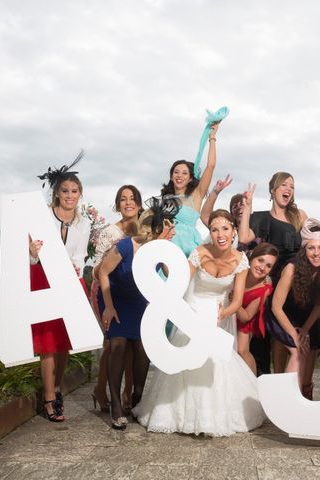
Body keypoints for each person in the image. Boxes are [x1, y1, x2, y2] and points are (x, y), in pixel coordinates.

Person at [133, 210, 266, 436]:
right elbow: (180, 282)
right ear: (210, 233)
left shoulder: (241, 260)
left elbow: (238, 300)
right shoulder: (198, 253)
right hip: (193, 310)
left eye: (225, 228)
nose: (220, 234)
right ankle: (181, 414)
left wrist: (223, 313)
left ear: (234, 231)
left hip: (220, 313)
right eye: (214, 229)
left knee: (215, 362)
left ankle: (213, 416)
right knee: (189, 362)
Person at [98, 196, 180, 429]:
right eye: (166, 229)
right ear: (153, 230)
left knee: (143, 347)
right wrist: (109, 307)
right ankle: (115, 404)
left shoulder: (161, 248)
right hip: (114, 297)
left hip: (139, 302)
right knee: (119, 345)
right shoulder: (126, 246)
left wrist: (167, 251)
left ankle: (137, 398)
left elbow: (171, 273)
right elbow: (103, 273)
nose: (170, 233)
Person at [31, 152, 91, 422]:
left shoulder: (84, 223)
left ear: (80, 194)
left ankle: (57, 389)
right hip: (44, 281)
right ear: (56, 193)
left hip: (71, 283)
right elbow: (32, 255)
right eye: (65, 190)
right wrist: (33, 253)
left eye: (74, 191)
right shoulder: (42, 217)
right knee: (47, 343)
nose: (69, 195)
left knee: (64, 343)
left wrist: (75, 268)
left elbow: (80, 255)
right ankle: (47, 399)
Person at [238, 172, 308, 375]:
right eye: (284, 185)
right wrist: (248, 206)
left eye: (292, 186)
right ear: (273, 189)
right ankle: (261, 386)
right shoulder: (260, 218)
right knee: (264, 342)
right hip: (270, 284)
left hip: (295, 283)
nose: (288, 189)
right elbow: (243, 236)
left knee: (296, 339)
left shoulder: (299, 216)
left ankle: (297, 388)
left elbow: (317, 237)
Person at [90, 185, 143, 413]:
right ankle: (102, 390)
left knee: (135, 347)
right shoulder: (110, 233)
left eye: (132, 199)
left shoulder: (148, 229)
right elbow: (96, 271)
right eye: (123, 199)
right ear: (118, 205)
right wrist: (117, 256)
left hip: (138, 294)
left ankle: (128, 396)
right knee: (113, 344)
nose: (128, 202)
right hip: (108, 291)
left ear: (140, 204)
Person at [267, 219, 320, 398]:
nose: (316, 253)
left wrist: (305, 330)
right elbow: (276, 306)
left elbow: (319, 304)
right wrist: (295, 335)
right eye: (311, 248)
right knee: (296, 349)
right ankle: (286, 398)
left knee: (310, 349)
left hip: (308, 316)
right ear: (304, 249)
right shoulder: (292, 269)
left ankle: (304, 392)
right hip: (282, 314)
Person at [161, 123, 220, 257]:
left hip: (187, 250)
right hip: (166, 248)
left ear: (190, 179)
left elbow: (210, 166)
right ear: (171, 176)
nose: (179, 176)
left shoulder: (196, 195)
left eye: (184, 173)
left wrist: (212, 138)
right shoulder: (166, 199)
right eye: (176, 172)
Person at [236, 243, 279, 375]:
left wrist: (234, 301)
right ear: (252, 257)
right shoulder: (239, 269)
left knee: (242, 350)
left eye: (268, 266)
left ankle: (252, 383)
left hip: (245, 317)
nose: (262, 267)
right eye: (260, 260)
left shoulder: (264, 288)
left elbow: (247, 316)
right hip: (226, 313)